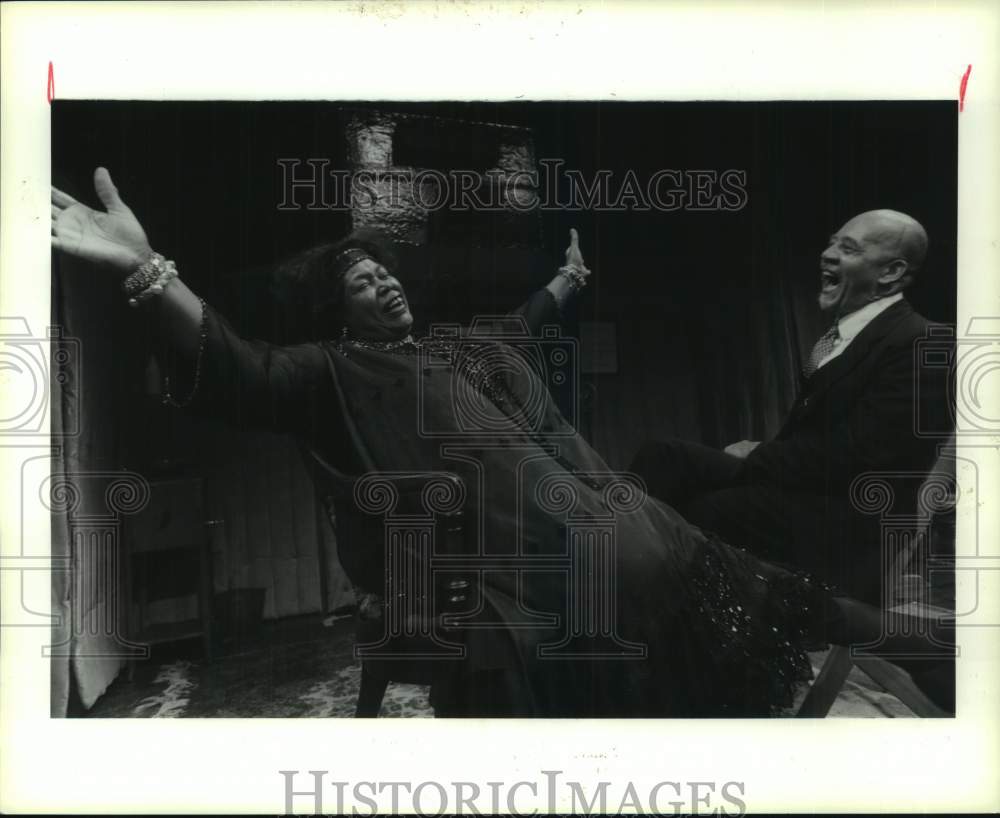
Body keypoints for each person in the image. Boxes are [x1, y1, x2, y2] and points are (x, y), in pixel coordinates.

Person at [52, 172, 946, 716]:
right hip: (515, 555)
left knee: (729, 572)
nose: (386, 283)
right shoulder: (325, 371)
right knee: (705, 577)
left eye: (387, 270)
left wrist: (563, 281)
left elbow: (518, 329)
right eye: (364, 281)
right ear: (338, 312)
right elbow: (238, 371)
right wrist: (147, 271)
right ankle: (904, 648)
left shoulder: (451, 349)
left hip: (588, 519)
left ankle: (926, 652)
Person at [629, 210, 953, 606]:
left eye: (847, 248)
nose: (827, 254)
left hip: (847, 524)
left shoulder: (924, 341)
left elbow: (862, 453)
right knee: (664, 457)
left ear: (890, 272)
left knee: (701, 512)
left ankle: (630, 606)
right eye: (832, 241)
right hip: (805, 495)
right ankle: (616, 583)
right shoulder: (842, 338)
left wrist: (759, 454)